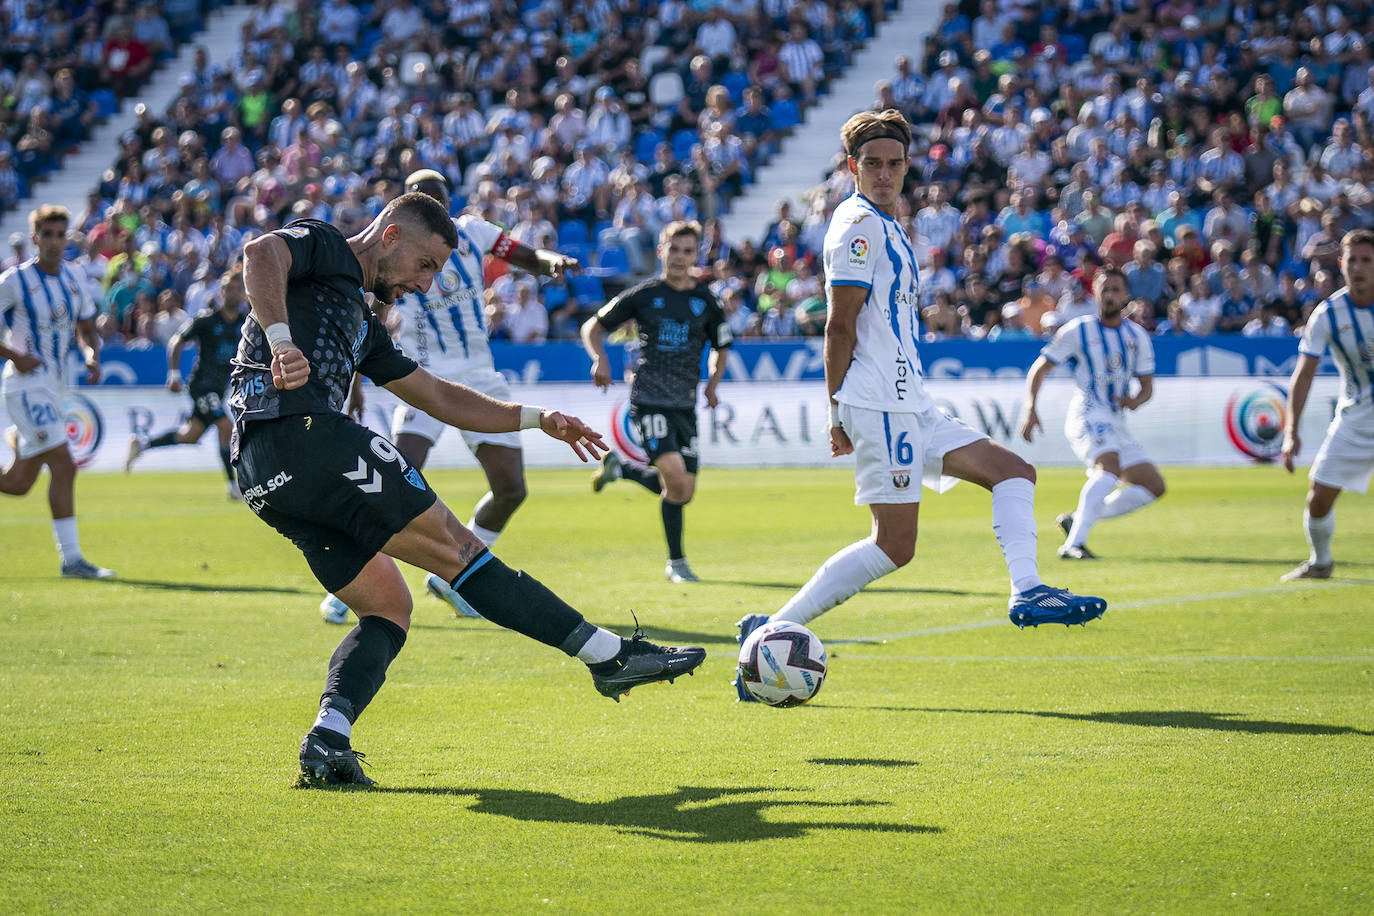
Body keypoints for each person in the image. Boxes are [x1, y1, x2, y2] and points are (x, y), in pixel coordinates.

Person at [228, 193, 705, 786]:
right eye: (426, 266)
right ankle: (608, 656)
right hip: (306, 435)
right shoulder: (325, 246)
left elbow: (441, 397)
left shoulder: (363, 321)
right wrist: (280, 340)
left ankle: (328, 740)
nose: (426, 286)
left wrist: (538, 418)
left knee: (388, 608)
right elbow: (261, 252)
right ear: (392, 236)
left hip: (260, 471)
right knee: (460, 553)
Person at [733, 110, 1106, 700]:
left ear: (908, 167)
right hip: (880, 405)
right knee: (893, 545)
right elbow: (838, 327)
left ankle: (1030, 589)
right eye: (872, 163)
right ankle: (776, 628)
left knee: (1015, 472)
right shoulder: (857, 226)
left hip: (909, 402)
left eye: (894, 163)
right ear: (853, 167)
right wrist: (837, 414)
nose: (884, 173)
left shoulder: (887, 225)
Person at [318, 168, 580, 625]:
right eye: (423, 201)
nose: (435, 210)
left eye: (438, 201)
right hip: (423, 376)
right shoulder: (398, 255)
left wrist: (549, 262)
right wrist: (356, 380)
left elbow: (521, 253)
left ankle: (449, 580)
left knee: (511, 488)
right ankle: (351, 585)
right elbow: (373, 319)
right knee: (395, 480)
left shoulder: (473, 231)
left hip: (479, 376)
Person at [581, 220, 731, 584]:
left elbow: (722, 346)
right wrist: (600, 358)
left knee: (684, 490)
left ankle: (623, 470)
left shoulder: (707, 301)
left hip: (685, 404)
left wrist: (712, 383)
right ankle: (676, 564)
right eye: (674, 250)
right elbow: (593, 326)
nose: (680, 258)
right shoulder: (645, 295)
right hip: (649, 400)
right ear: (662, 251)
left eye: (687, 251)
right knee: (677, 480)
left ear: (696, 255)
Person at [1020, 267, 1166, 558]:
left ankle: (1079, 521)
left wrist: (1135, 401)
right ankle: (1073, 545)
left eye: (1116, 290)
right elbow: (1041, 367)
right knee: (1108, 468)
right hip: (1087, 413)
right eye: (1104, 289)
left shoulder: (1137, 336)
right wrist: (1030, 408)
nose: (1110, 295)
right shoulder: (1079, 329)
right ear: (1096, 293)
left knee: (1153, 485)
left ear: (1126, 296)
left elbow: (1147, 385)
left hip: (1116, 420)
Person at [0, 205, 113, 579]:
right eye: (46, 235)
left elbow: (85, 327)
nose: (53, 242)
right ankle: (73, 560)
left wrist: (91, 355)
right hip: (24, 384)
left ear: (67, 238)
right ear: (35, 239)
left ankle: (73, 560)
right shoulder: (15, 281)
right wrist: (16, 355)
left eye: (59, 235)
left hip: (54, 387)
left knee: (18, 483)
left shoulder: (74, 277)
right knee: (64, 465)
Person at [1279, 228, 1374, 581]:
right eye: (1353, 260)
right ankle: (1321, 563)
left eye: (1367, 260)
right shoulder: (1328, 314)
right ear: (1341, 264)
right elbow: (1303, 376)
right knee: (1317, 497)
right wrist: (1291, 432)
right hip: (1356, 418)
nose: (1359, 267)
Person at [124, 262, 246, 498]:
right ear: (221, 293)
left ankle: (141, 444)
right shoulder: (207, 320)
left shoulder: (244, 322)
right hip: (201, 386)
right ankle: (234, 486)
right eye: (228, 289)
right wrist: (174, 374)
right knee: (226, 426)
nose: (233, 293)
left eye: (237, 289)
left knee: (190, 436)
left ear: (243, 292)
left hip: (220, 389)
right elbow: (177, 341)